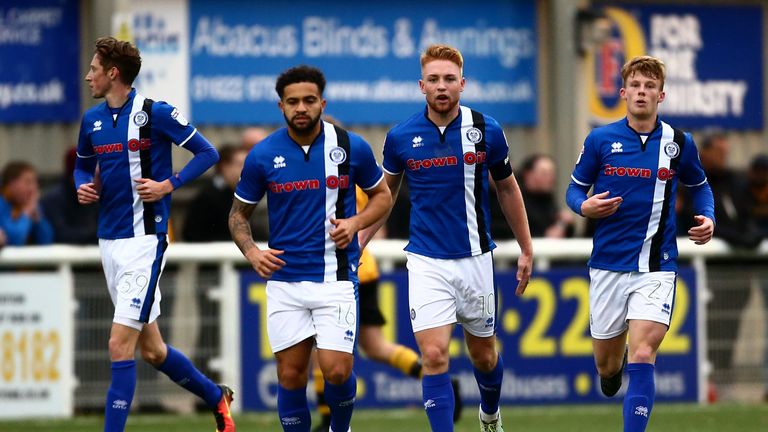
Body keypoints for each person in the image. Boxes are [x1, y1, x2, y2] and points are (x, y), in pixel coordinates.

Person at [361, 44, 533, 432]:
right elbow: (384, 197)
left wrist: (526, 247)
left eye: (449, 79)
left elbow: (507, 189)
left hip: (476, 259)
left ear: (463, 84)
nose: (442, 86)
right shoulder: (401, 137)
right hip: (426, 262)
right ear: (421, 85)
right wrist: (360, 242)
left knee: (484, 356)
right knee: (435, 355)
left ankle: (490, 413)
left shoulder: (487, 130)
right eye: (434, 79)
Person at [74, 37, 234, 432]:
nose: (88, 76)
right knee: (153, 350)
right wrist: (82, 186)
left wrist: (169, 184)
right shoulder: (92, 120)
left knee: (118, 345)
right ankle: (216, 396)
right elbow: (81, 166)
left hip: (146, 242)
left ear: (113, 73)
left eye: (94, 69)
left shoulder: (155, 113)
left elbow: (208, 153)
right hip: (109, 241)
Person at [228, 65, 391, 432]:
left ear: (322, 103)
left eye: (309, 100)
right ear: (281, 106)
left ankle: (340, 428)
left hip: (336, 277)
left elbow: (382, 196)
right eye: (293, 102)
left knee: (337, 370)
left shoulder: (351, 147)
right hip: (285, 282)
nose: (301, 108)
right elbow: (238, 215)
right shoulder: (262, 155)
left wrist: (355, 223)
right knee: (290, 375)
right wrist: (252, 252)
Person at [565, 55, 714, 432]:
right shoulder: (600, 140)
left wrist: (708, 217)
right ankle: (612, 371)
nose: (642, 92)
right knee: (606, 366)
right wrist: (584, 206)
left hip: (656, 266)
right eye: (635, 85)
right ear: (623, 92)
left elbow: (700, 187)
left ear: (661, 95)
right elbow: (574, 190)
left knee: (644, 352)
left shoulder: (679, 143)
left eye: (650, 86)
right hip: (608, 266)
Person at [182, 144, 248, 242]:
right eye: (241, 165)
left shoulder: (239, 193)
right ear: (225, 167)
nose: (246, 170)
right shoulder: (208, 197)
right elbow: (193, 234)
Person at [41, 148, 100, 244]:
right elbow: (60, 233)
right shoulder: (54, 199)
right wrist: (94, 234)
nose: (94, 180)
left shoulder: (94, 197)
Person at [0, 160, 54, 245]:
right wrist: (26, 212)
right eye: (28, 182)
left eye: (35, 182)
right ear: (11, 183)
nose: (33, 188)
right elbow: (12, 241)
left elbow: (47, 240)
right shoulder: (2, 205)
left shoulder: (26, 204)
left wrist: (38, 219)